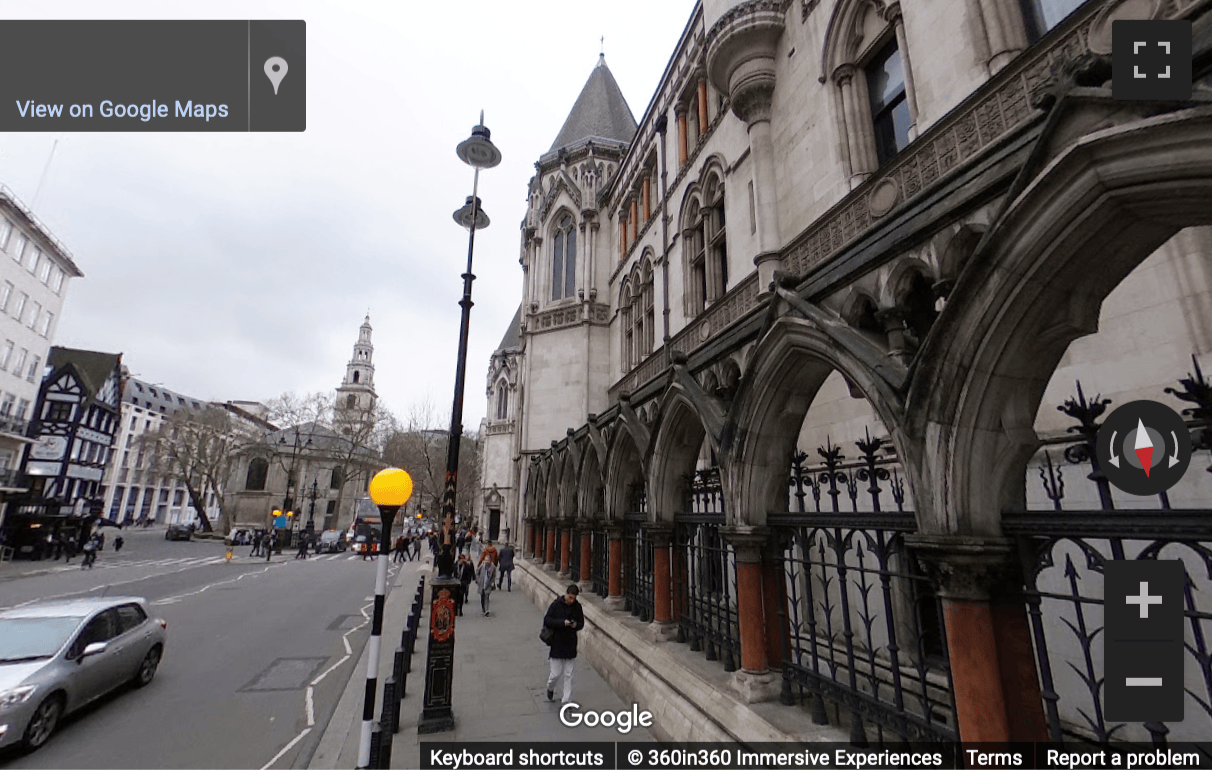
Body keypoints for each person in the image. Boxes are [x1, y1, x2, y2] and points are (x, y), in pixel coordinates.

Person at [543, 584, 585, 704]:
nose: (571, 600)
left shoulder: (577, 607)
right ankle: (550, 687)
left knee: (569, 675)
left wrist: (575, 625)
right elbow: (547, 620)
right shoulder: (556, 605)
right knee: (555, 674)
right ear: (566, 594)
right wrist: (562, 622)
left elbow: (581, 623)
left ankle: (566, 700)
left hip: (570, 643)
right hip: (557, 642)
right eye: (570, 597)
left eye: (574, 598)